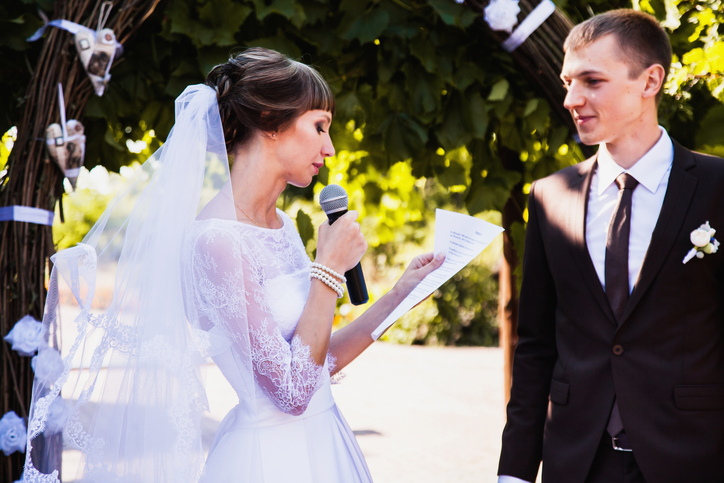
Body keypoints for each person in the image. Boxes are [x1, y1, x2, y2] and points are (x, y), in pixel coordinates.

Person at [22, 48, 444, 483]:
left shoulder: (280, 226)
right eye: (319, 127)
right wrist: (329, 269)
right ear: (270, 121)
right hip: (271, 461)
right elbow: (291, 391)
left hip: (326, 443)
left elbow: (316, 362)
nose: (330, 148)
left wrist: (400, 295)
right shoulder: (215, 241)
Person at [497, 9, 724, 483]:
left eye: (592, 81)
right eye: (567, 82)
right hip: (578, 461)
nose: (571, 99)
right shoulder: (549, 196)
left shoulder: (716, 187)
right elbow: (536, 346)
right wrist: (514, 473)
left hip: (693, 458)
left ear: (649, 81)